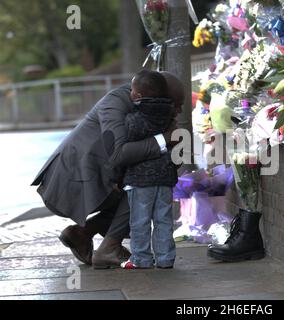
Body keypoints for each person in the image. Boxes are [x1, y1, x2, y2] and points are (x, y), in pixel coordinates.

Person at [31, 71, 185, 269]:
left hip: (104, 177)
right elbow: (118, 153)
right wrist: (164, 139)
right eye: (176, 104)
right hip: (73, 179)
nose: (179, 111)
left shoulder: (152, 109)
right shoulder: (115, 103)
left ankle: (82, 233)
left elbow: (169, 157)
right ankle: (108, 248)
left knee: (150, 182)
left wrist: (174, 148)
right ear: (158, 98)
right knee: (144, 184)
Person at [119, 70, 178, 269]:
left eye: (132, 89)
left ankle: (141, 259)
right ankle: (165, 258)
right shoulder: (170, 115)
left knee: (139, 221)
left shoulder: (133, 118)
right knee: (164, 220)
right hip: (165, 177)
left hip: (139, 180)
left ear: (137, 96)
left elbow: (126, 146)